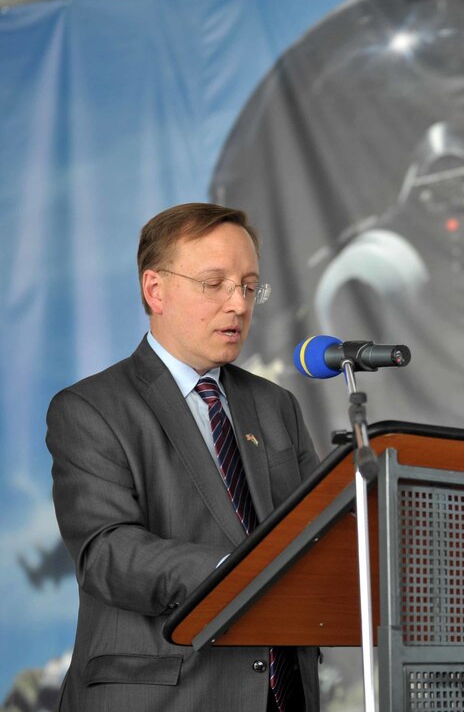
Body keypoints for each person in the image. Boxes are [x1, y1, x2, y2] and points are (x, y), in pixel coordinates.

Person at [47, 203, 321, 711]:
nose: (237, 305)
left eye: (247, 285)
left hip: (283, 693)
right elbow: (107, 553)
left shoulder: (275, 404)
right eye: (213, 283)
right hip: (164, 695)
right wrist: (237, 570)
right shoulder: (90, 408)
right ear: (155, 290)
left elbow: (315, 532)